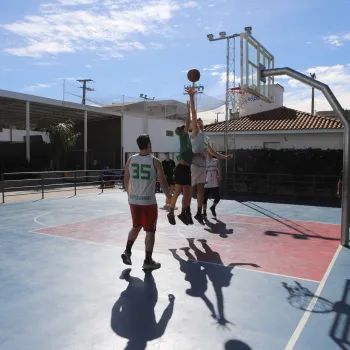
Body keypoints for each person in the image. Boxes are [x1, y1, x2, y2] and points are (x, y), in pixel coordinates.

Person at [122, 134, 172, 271]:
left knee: (136, 226)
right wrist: (170, 200)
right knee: (150, 231)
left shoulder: (130, 160)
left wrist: (129, 195)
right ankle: (148, 260)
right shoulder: (155, 161)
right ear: (149, 144)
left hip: (134, 201)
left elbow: (126, 180)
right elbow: (163, 183)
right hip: (148, 202)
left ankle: (127, 251)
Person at [186, 86, 233, 222]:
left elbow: (212, 152)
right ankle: (186, 210)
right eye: (198, 122)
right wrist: (191, 97)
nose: (199, 122)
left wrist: (225, 157)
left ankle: (199, 212)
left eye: (201, 121)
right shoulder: (195, 132)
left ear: (203, 124)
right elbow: (193, 115)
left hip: (202, 165)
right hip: (194, 164)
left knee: (201, 190)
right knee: (190, 188)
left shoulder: (206, 137)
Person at [167, 101, 193, 226]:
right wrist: (188, 109)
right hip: (182, 168)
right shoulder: (184, 135)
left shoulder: (187, 140)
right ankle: (171, 211)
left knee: (186, 194)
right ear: (184, 129)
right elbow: (188, 122)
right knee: (177, 192)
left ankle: (183, 212)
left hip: (186, 168)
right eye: (186, 128)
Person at [203, 153, 221, 219]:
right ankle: (204, 212)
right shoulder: (204, 161)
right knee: (204, 198)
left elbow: (219, 169)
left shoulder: (216, 160)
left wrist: (219, 175)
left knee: (218, 197)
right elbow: (203, 171)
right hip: (206, 182)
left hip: (214, 182)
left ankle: (213, 207)